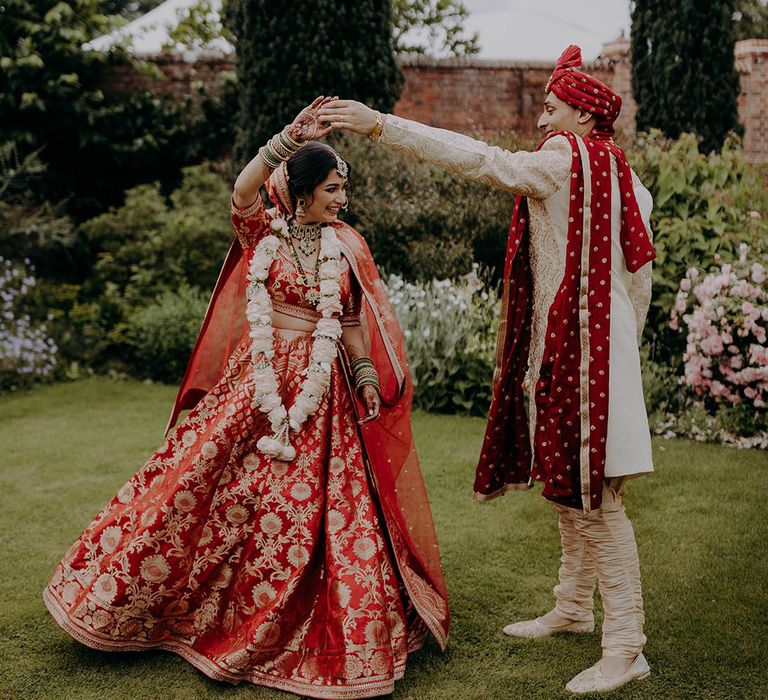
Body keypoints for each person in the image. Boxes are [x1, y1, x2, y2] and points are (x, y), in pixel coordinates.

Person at [43, 97, 449, 699]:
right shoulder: (266, 234)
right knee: (199, 485)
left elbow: (355, 318)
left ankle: (315, 619)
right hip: (254, 385)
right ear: (304, 191)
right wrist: (289, 135)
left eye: (344, 190)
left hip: (323, 391)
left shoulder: (348, 245)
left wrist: (363, 372)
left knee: (320, 510)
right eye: (333, 189)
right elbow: (243, 188)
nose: (342, 200)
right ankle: (159, 604)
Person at [320, 45, 655, 694]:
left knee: (597, 500)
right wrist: (623, 344)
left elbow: (479, 160)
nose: (540, 121)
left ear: (584, 118)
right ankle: (573, 606)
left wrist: (380, 124)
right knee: (571, 485)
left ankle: (626, 646)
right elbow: (641, 269)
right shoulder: (623, 174)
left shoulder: (563, 164)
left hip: (584, 353)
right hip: (597, 347)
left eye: (552, 107)